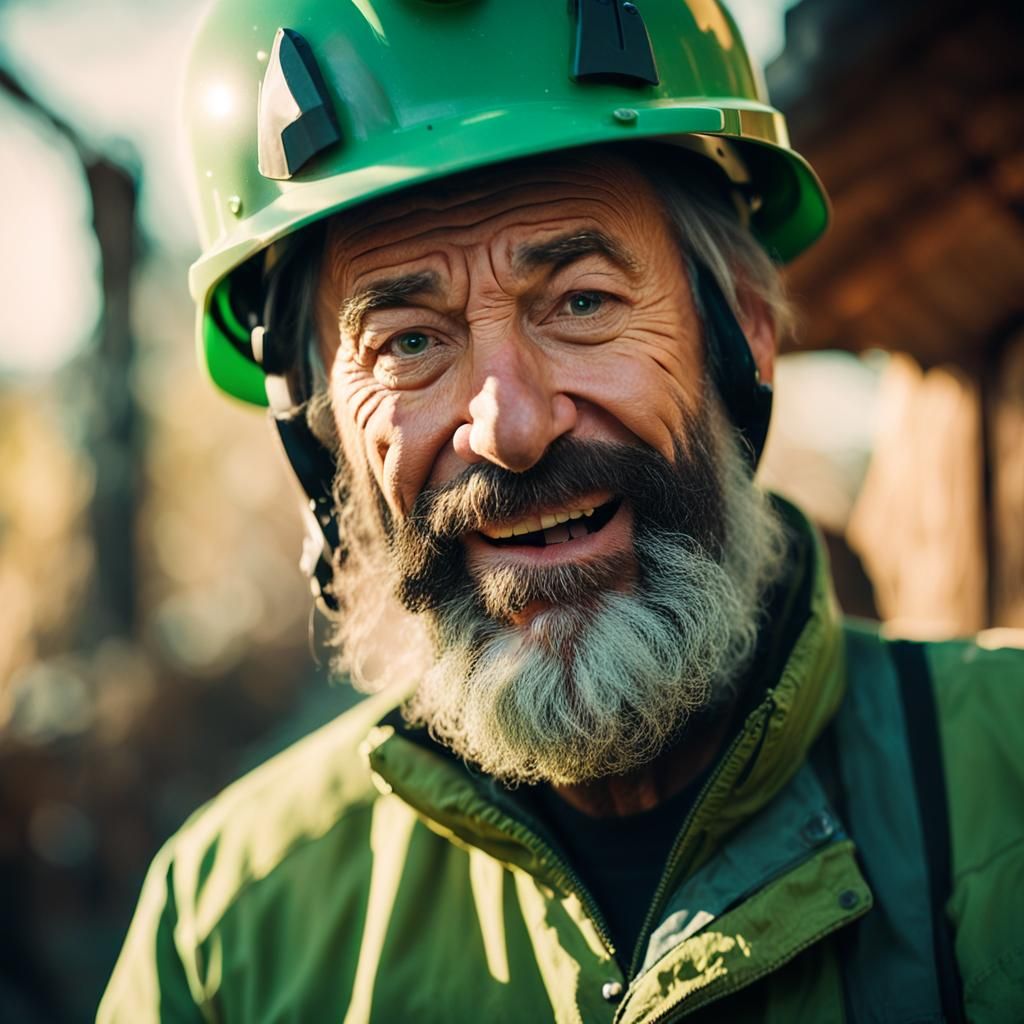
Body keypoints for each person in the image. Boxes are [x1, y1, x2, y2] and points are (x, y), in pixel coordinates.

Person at [99, 1, 1024, 1021]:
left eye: (581, 301)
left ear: (744, 337)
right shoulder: (224, 938)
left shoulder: (1008, 777)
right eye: (408, 343)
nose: (511, 427)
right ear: (321, 439)